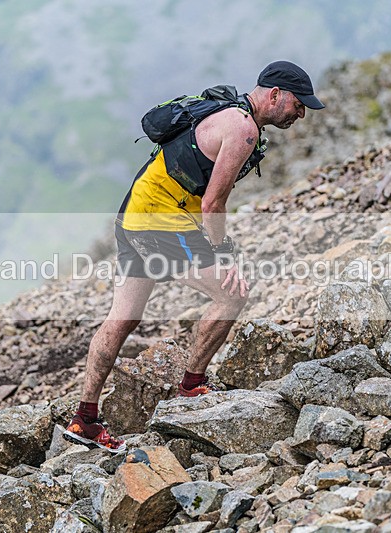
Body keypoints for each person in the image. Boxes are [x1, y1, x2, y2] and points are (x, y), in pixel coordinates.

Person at [64, 61, 325, 452]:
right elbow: (213, 203)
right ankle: (192, 388)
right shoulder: (243, 129)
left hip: (135, 211)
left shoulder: (228, 111)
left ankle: (84, 419)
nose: (301, 113)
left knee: (123, 318)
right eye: (298, 104)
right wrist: (223, 254)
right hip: (159, 220)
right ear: (275, 95)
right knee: (232, 293)